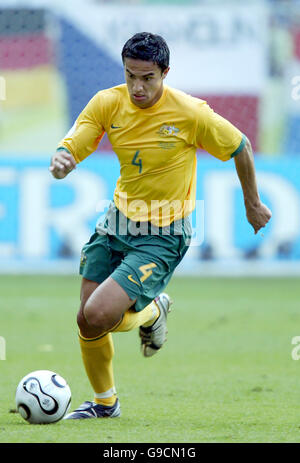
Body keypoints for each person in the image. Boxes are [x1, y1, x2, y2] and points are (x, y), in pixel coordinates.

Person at [49, 32, 271, 419]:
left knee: (101, 314)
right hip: (117, 221)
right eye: (131, 75)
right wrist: (64, 156)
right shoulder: (107, 102)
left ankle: (151, 313)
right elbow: (79, 137)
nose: (137, 86)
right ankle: (105, 404)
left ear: (165, 73)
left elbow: (240, 145)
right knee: (86, 320)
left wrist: (252, 204)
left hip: (164, 234)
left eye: (147, 77)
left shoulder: (190, 112)